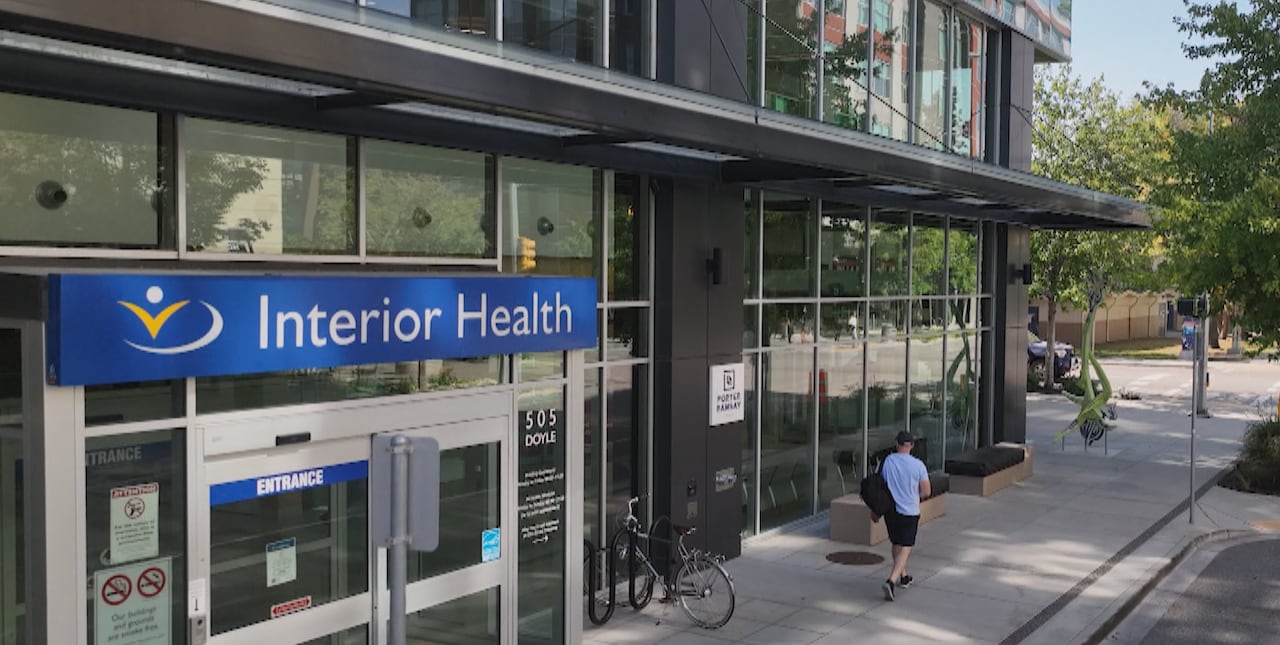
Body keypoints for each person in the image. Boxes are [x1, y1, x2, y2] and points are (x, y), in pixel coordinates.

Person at [880, 430, 931, 601]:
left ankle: (903, 576)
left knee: (896, 543)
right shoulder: (918, 466)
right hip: (909, 511)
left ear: (897, 444)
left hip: (891, 512)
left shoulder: (888, 461)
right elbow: (926, 492)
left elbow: (882, 485)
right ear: (912, 445)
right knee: (906, 547)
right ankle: (891, 581)